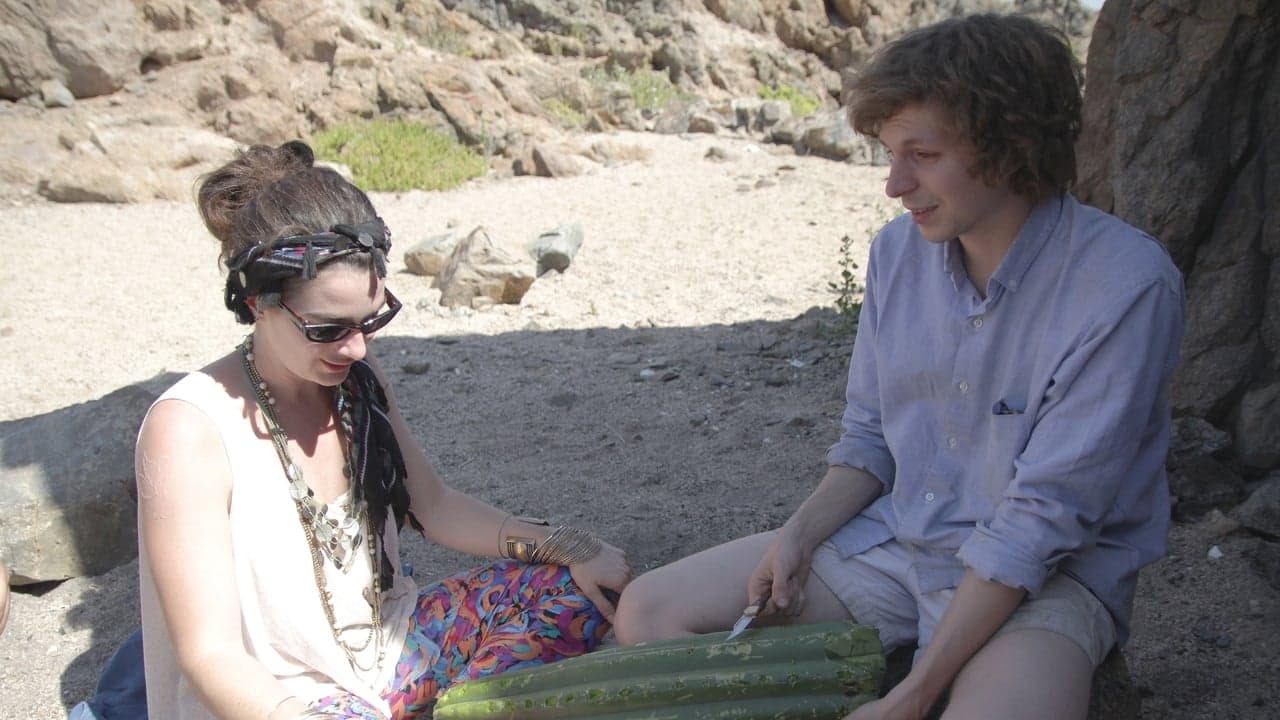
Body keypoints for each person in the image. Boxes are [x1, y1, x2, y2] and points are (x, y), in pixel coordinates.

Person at [614, 13, 1184, 720]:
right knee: (648, 613)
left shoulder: (1124, 286)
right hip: (897, 543)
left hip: (1048, 580)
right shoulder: (896, 254)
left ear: (1009, 145)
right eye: (889, 153)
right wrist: (798, 537)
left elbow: (1041, 524)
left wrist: (914, 694)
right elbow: (870, 435)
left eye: (922, 155)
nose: (894, 184)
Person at [136, 140, 631, 720]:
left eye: (372, 318)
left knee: (572, 592)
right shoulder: (190, 430)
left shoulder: (354, 380)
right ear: (256, 303)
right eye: (328, 328)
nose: (357, 346)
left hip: (388, 653)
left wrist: (568, 544)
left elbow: (435, 506)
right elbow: (211, 656)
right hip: (279, 694)